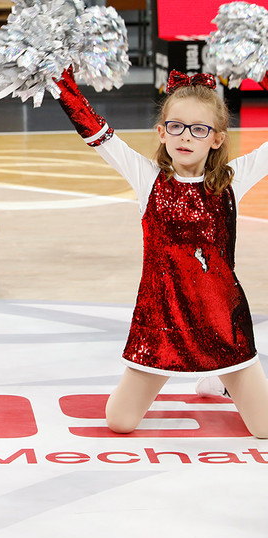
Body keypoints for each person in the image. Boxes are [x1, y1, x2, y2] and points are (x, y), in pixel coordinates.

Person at [54, 66, 268, 438]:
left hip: (223, 322)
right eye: (176, 126)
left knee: (265, 429)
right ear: (161, 131)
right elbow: (97, 134)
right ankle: (206, 374)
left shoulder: (234, 179)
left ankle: (215, 377)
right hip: (161, 319)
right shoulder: (147, 177)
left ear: (216, 138)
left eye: (199, 129)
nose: (185, 137)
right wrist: (60, 83)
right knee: (119, 422)